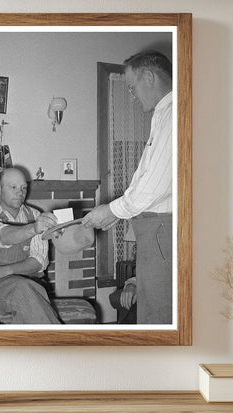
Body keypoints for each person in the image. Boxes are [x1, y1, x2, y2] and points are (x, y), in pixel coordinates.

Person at [82, 50, 173, 324]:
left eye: (132, 88)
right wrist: (116, 212)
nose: (132, 96)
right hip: (153, 229)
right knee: (150, 309)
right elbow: (147, 179)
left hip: (161, 229)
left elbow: (155, 186)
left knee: (159, 315)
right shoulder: (162, 115)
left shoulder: (173, 114)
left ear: (149, 76)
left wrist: (112, 210)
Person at [0, 167, 61, 324]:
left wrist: (7, 270)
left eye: (24, 188)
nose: (20, 192)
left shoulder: (35, 216)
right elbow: (3, 236)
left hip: (31, 286)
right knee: (25, 290)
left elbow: (39, 262)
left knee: (29, 292)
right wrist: (33, 228)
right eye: (13, 187)